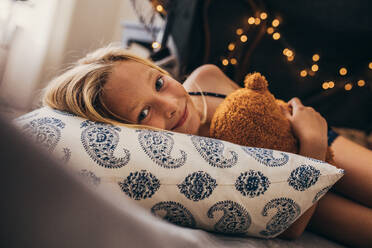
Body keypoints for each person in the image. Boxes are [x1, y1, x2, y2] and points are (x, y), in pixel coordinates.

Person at [43, 45, 372, 247]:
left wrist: (310, 131)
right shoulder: (193, 165)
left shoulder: (207, 80)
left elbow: (267, 107)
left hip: (315, 139)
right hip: (305, 186)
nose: (169, 104)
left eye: (158, 83)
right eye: (144, 113)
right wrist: (313, 142)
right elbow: (291, 225)